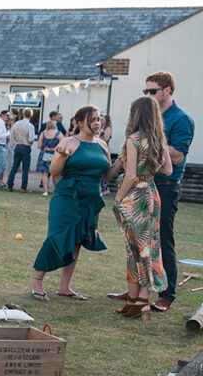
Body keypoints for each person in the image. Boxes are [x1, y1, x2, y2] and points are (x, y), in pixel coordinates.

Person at [31, 105, 119, 302]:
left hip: (90, 200)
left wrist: (120, 162)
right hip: (67, 198)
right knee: (57, 237)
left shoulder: (103, 145)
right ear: (79, 122)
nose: (97, 123)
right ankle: (38, 282)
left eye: (99, 119)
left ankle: (65, 287)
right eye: (93, 119)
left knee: (77, 241)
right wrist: (62, 157)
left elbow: (106, 175)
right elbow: (54, 172)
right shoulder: (69, 142)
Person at [110, 96, 173, 319]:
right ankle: (138, 300)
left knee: (134, 249)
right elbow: (168, 171)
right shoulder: (159, 141)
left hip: (135, 196)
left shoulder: (134, 139)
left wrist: (119, 199)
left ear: (135, 115)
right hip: (151, 194)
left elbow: (130, 176)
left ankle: (140, 302)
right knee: (148, 248)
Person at [141, 71, 195, 314]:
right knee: (139, 241)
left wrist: (154, 136)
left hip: (166, 187)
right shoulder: (148, 115)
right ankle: (139, 289)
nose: (149, 96)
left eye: (153, 91)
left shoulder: (181, 119)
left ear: (168, 91)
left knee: (163, 242)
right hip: (143, 185)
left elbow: (177, 155)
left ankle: (167, 294)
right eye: (146, 92)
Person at [7, 107, 36, 192]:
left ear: (23, 115)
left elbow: (11, 136)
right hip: (25, 147)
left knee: (14, 167)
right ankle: (23, 187)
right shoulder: (30, 126)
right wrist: (29, 144)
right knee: (25, 169)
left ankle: (10, 185)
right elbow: (31, 139)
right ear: (30, 116)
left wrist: (13, 144)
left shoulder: (16, 124)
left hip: (18, 146)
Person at [37, 119, 61, 195]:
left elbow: (39, 146)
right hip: (55, 155)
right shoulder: (59, 134)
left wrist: (47, 147)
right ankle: (56, 191)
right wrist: (53, 148)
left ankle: (45, 191)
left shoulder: (43, 133)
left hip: (45, 153)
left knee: (45, 173)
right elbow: (61, 146)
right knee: (56, 173)